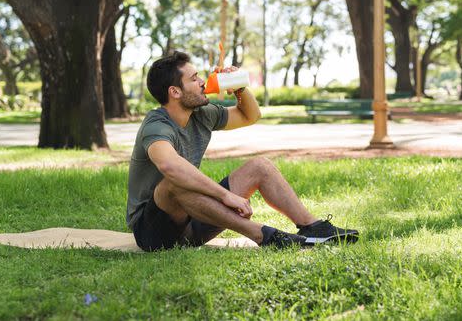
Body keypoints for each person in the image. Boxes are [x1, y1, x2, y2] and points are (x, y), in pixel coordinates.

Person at [126, 51, 359, 251]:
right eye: (194, 78)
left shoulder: (201, 115)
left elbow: (251, 116)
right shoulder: (156, 126)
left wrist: (238, 87)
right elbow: (170, 166)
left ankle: (313, 227)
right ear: (175, 92)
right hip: (154, 233)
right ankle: (264, 236)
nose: (202, 82)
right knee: (173, 182)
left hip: (193, 221)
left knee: (260, 166)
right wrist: (225, 195)